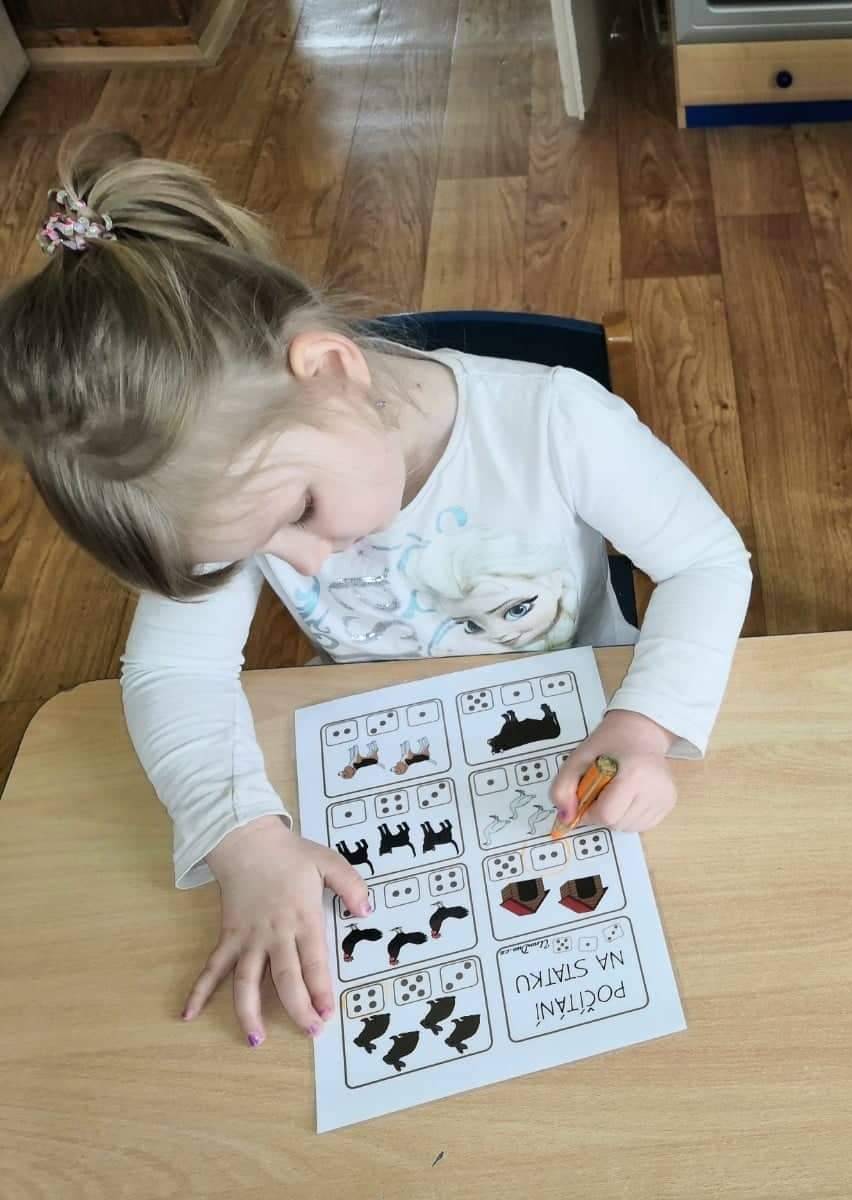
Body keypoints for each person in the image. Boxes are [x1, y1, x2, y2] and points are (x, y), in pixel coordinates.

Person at [0, 133, 752, 1047]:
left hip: (587, 727)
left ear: (331, 373)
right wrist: (243, 838)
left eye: (299, 512)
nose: (302, 566)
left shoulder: (556, 421)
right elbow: (171, 674)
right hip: (392, 754)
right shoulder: (224, 473)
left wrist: (643, 726)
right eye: (249, 553)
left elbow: (706, 562)